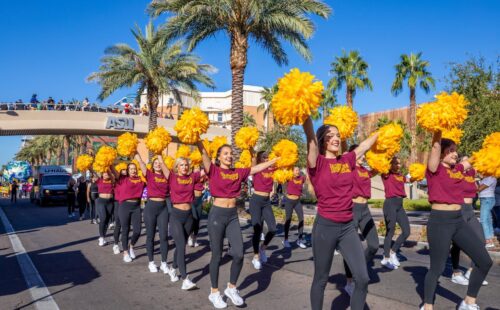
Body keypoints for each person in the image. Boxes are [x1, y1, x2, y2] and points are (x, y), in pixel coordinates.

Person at [303, 116, 378, 310]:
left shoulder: (347, 159)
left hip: (347, 227)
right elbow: (310, 137)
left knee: (362, 279)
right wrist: (305, 115)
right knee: (320, 278)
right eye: (330, 136)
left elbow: (363, 146)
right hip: (325, 227)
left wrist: (382, 132)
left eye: (337, 135)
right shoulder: (316, 163)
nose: (335, 138)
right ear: (323, 141)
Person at [196, 141, 278, 309]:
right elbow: (203, 154)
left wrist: (275, 160)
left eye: (230, 153)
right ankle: (214, 292)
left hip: (232, 216)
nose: (229, 155)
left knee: (239, 254)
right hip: (217, 215)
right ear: (218, 157)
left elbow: (256, 169)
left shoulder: (238, 172)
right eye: (225, 153)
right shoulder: (213, 170)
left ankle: (231, 288)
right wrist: (198, 140)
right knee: (217, 256)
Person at [421, 133, 492, 310]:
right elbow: (435, 147)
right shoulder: (434, 169)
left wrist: (493, 150)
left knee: (484, 261)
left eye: (456, 151)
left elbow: (475, 159)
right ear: (442, 153)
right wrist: (437, 129)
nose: (455, 154)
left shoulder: (457, 170)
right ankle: (427, 306)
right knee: (436, 268)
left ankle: (468, 302)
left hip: (458, 220)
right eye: (451, 150)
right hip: (439, 222)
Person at [342, 144, 379, 297]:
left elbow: (379, 168)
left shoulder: (365, 171)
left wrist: (386, 155)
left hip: (365, 210)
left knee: (374, 245)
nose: (364, 155)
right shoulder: (348, 168)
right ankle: (349, 281)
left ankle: (359, 266)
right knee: (350, 248)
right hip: (352, 208)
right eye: (362, 153)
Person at [449, 158, 489, 286]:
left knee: (481, 240)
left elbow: (483, 172)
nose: (469, 163)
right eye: (466, 160)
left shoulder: (471, 174)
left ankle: (471, 271)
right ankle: (455, 273)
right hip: (459, 210)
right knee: (457, 244)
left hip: (470, 211)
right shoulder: (455, 172)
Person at [135, 154, 173, 276]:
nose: (157, 164)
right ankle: (151, 262)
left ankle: (164, 263)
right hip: (150, 207)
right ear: (153, 165)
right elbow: (141, 164)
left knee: (164, 237)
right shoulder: (150, 174)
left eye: (159, 162)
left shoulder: (167, 176)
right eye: (155, 162)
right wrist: (136, 154)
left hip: (163, 208)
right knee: (150, 236)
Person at [167, 157, 202, 290]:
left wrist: (206, 154)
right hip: (176, 216)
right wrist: (158, 153)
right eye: (181, 165)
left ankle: (173, 268)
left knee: (180, 246)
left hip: (189, 217)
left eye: (186, 165)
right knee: (181, 245)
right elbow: (163, 165)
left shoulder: (192, 177)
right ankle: (185, 279)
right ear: (177, 167)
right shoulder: (171, 177)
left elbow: (209, 169)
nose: (184, 167)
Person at [380, 157, 411, 270]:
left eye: (399, 164)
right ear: (390, 164)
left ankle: (393, 252)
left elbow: (409, 179)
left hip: (399, 205)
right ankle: (386, 257)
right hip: (390, 204)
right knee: (390, 231)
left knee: (407, 231)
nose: (398, 166)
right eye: (396, 163)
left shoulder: (400, 176)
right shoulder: (386, 174)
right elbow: (381, 165)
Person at [249, 151, 277, 270]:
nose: (266, 159)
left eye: (268, 157)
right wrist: (250, 148)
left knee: (273, 228)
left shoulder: (272, 170)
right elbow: (253, 159)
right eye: (264, 157)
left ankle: (263, 249)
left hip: (266, 202)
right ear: (260, 159)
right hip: (256, 201)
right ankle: (256, 256)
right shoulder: (257, 169)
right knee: (257, 229)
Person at [113, 160, 145, 263]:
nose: (133, 170)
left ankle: (131, 246)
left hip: (136, 206)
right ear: (127, 170)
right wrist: (108, 164)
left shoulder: (141, 180)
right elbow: (113, 172)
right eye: (131, 169)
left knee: (137, 230)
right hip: (124, 206)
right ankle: (125, 252)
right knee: (125, 230)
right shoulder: (123, 179)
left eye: (135, 169)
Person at [283, 166, 307, 249]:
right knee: (288, 220)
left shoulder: (302, 178)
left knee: (301, 219)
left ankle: (299, 240)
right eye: (296, 170)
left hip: (297, 202)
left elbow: (308, 179)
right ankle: (285, 240)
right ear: (292, 171)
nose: (298, 171)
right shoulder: (289, 177)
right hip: (289, 201)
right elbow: (282, 175)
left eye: (298, 170)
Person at [95, 170, 115, 247]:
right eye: (105, 173)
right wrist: (89, 166)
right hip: (101, 201)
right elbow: (94, 172)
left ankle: (103, 236)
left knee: (107, 220)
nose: (106, 174)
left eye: (107, 173)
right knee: (103, 218)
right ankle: (101, 237)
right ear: (102, 174)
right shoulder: (99, 180)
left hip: (110, 202)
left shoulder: (112, 181)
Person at [478, 175, 497, 248]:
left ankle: (488, 240)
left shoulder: (491, 178)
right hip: (485, 199)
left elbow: (479, 189)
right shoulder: (486, 178)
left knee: (483, 220)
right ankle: (491, 237)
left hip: (487, 199)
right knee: (488, 219)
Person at [189, 165, 206, 247]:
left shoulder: (203, 177)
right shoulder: (191, 177)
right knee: (193, 218)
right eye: (195, 168)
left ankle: (195, 238)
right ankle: (190, 237)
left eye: (198, 168)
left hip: (199, 200)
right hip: (192, 200)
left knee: (197, 220)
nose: (197, 169)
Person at [112, 168, 127, 255]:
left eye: (126, 171)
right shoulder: (118, 179)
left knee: (125, 225)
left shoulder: (129, 180)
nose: (124, 173)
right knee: (118, 225)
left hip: (126, 203)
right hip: (118, 203)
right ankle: (116, 244)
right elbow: (113, 172)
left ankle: (124, 243)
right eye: (123, 171)